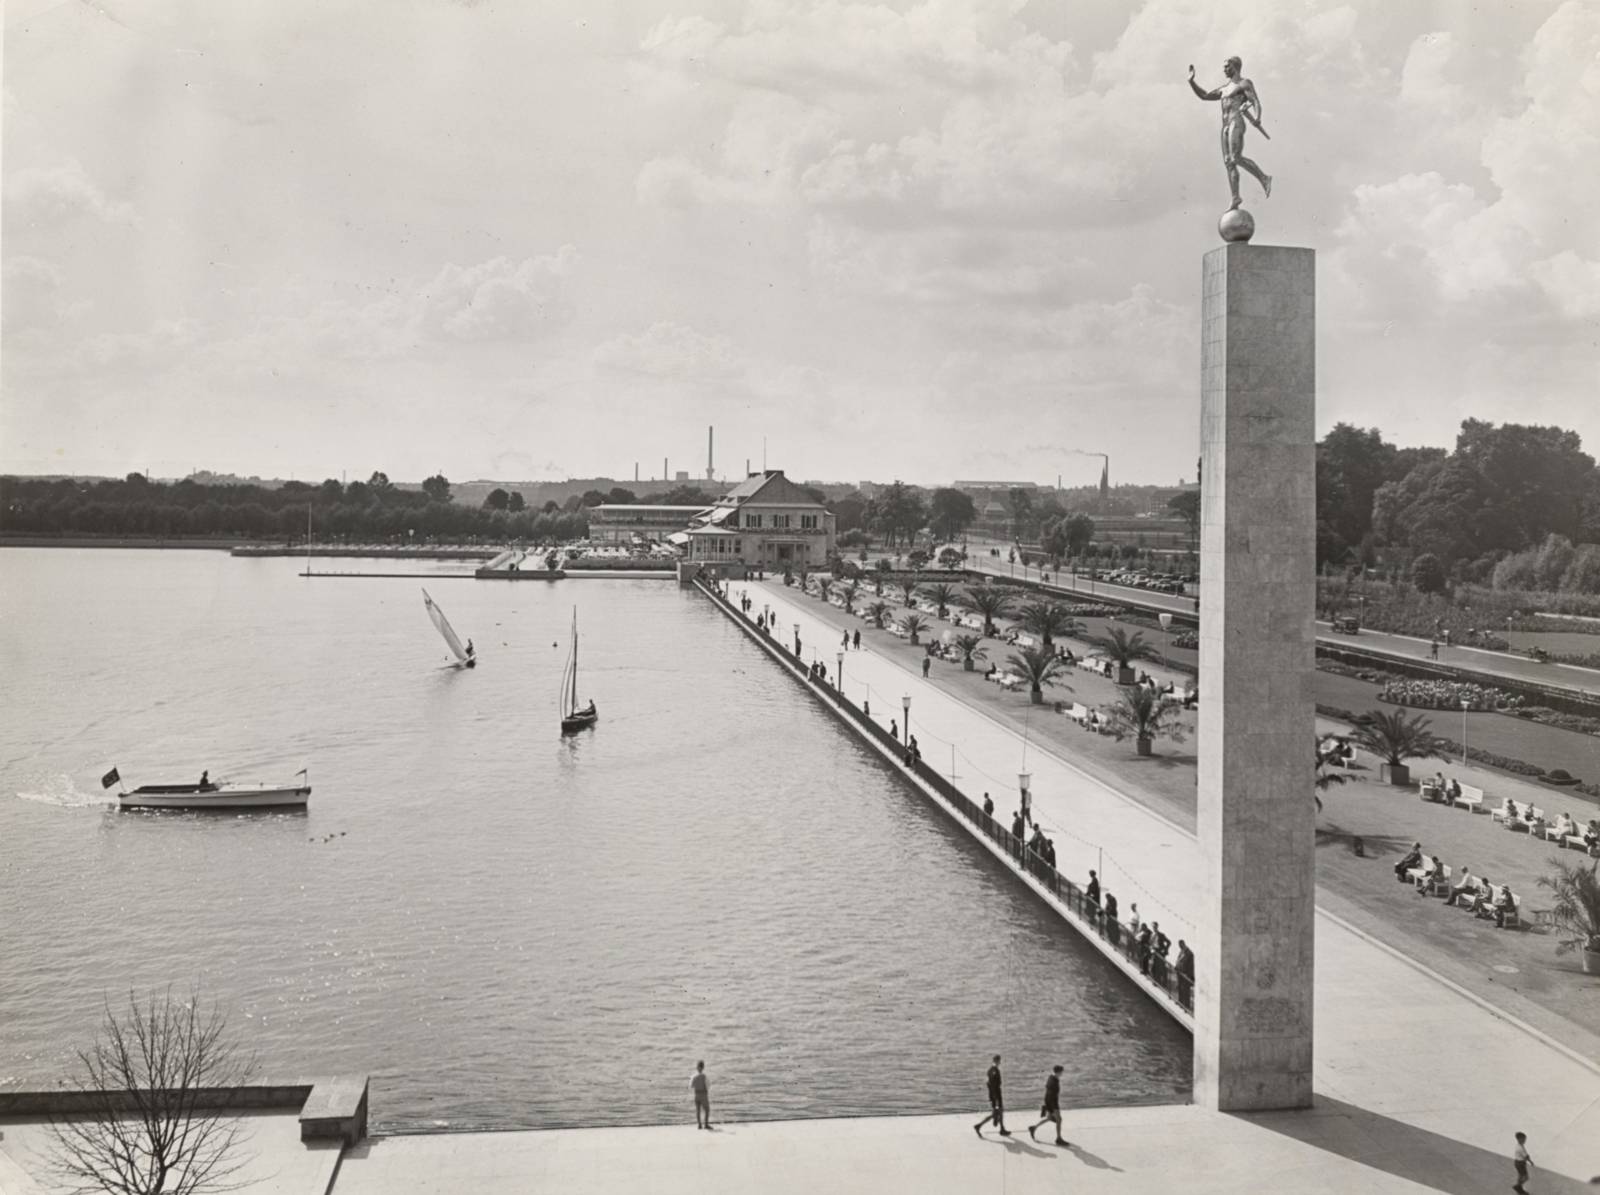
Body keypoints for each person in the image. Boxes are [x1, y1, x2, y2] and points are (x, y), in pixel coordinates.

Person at [1187, 57, 1271, 210]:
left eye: (1227, 66)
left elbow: (1255, 101)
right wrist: (1191, 82)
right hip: (1225, 125)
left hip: (1236, 121)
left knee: (1235, 157)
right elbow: (1205, 95)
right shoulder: (1224, 89)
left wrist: (1257, 117)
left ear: (1235, 67)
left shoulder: (1243, 83)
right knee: (1228, 162)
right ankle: (1235, 197)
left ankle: (1264, 178)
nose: (1224, 69)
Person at [1026, 1065, 1069, 1147]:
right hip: (1053, 1104)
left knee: (1049, 1118)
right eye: (1061, 1072)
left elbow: (1048, 1092)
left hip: (1050, 1102)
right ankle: (1058, 1139)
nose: (1062, 1074)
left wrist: (1047, 1106)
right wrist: (1051, 1109)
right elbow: (1050, 1095)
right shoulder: (1054, 1081)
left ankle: (1033, 1128)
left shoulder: (1051, 1078)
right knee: (1059, 1120)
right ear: (1058, 1072)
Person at [973, 1054, 1009, 1137]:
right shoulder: (994, 1071)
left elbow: (988, 1083)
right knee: (996, 1113)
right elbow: (993, 1086)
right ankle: (979, 1126)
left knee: (1000, 1112)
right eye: (999, 1061)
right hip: (996, 1095)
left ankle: (1002, 1129)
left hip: (995, 1095)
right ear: (996, 1061)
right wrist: (996, 1099)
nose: (1000, 1062)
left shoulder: (990, 1070)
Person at [691, 1061, 711, 1130]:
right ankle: (706, 1124)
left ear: (697, 1067)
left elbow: (691, 1086)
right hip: (703, 1094)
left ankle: (699, 1125)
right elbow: (708, 1086)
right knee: (707, 1109)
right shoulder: (704, 1076)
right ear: (703, 1068)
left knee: (698, 1110)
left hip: (696, 1094)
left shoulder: (694, 1076)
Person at [1175, 940, 1195, 1008]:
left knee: (1186, 990)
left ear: (1183, 944)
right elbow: (1179, 960)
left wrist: (1188, 975)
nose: (1180, 947)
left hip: (1185, 974)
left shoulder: (1189, 954)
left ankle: (1187, 1005)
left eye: (1181, 946)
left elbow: (1191, 966)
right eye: (1179, 946)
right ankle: (1180, 1002)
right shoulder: (1181, 951)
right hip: (1180, 972)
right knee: (1180, 988)